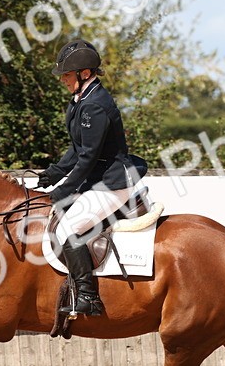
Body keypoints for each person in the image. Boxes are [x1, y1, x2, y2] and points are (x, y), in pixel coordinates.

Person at [37, 39, 146, 317]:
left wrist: (64, 190)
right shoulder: (81, 100)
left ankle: (89, 297)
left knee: (67, 230)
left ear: (84, 73)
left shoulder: (95, 105)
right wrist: (54, 173)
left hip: (112, 183)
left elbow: (88, 157)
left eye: (66, 74)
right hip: (97, 179)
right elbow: (77, 148)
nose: (62, 79)